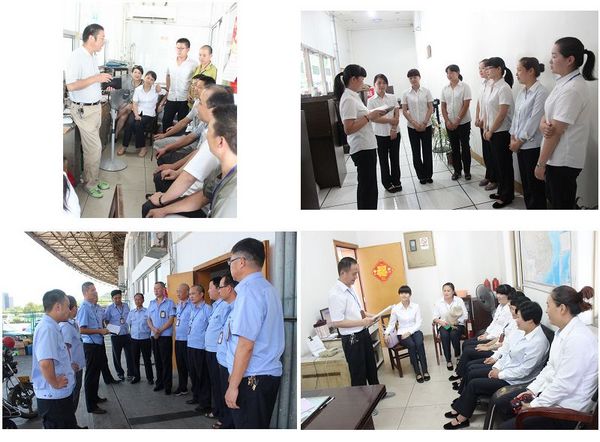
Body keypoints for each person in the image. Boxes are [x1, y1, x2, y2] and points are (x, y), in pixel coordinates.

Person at [498, 286, 598, 429]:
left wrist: (534, 405)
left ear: (562, 308)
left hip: (566, 412)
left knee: (505, 428)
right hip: (552, 398)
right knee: (503, 404)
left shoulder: (579, 339)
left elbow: (564, 385)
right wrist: (532, 391)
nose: (546, 311)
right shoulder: (561, 332)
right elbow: (550, 367)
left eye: (548, 305)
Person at [443, 301, 549, 430]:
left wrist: (499, 374)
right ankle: (462, 405)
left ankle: (462, 418)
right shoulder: (522, 331)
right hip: (505, 370)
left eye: (519, 317)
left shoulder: (538, 342)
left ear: (530, 320)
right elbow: (507, 351)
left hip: (514, 380)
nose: (516, 320)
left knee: (474, 384)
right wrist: (497, 366)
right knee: (472, 372)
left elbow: (524, 371)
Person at [144, 87, 235, 218]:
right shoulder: (217, 136)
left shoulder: (232, 196)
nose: (197, 106)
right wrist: (176, 170)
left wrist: (162, 201)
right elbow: (204, 195)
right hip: (201, 199)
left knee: (149, 207)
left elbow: (189, 178)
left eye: (201, 103)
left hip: (200, 204)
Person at [224, 238, 285, 429]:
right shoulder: (267, 288)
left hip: (253, 378)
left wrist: (233, 386)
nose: (230, 265)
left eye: (231, 261)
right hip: (261, 376)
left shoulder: (249, 292)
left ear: (241, 262)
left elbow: (246, 345)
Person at [536, 37, 596, 209]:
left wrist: (540, 164)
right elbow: (548, 114)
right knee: (557, 201)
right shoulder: (563, 82)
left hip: (563, 161)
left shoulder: (572, 89)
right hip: (556, 158)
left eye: (554, 56)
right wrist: (542, 124)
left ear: (570, 60)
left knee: (561, 206)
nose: (550, 60)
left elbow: (555, 132)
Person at [65, 23, 112, 199]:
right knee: (94, 148)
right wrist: (96, 78)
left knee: (93, 149)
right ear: (91, 37)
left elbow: (90, 82)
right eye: (102, 38)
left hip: (95, 108)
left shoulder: (92, 56)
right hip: (83, 110)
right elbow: (71, 85)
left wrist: (101, 83)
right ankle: (89, 184)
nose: (103, 42)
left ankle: (92, 178)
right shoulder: (76, 57)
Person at [334, 64, 386, 209]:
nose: (363, 83)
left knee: (369, 186)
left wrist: (372, 115)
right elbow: (348, 128)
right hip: (362, 148)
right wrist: (369, 117)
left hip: (367, 145)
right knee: (367, 188)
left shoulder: (353, 96)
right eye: (362, 79)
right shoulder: (348, 99)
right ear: (353, 79)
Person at [328, 256, 380, 386]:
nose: (356, 277)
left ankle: (378, 393)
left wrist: (372, 316)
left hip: (363, 333)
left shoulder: (351, 288)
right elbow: (337, 322)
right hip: (352, 339)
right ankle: (362, 399)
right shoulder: (335, 294)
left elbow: (358, 311)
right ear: (343, 273)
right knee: (358, 374)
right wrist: (362, 322)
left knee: (371, 367)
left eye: (357, 273)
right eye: (354, 274)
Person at [33, 289, 77, 428]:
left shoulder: (52, 326)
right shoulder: (47, 328)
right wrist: (55, 383)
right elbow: (45, 363)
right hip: (54, 397)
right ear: (58, 307)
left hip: (57, 396)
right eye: (67, 306)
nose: (69, 310)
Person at [451, 284, 514, 381]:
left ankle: (461, 373)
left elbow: (502, 333)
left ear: (508, 295)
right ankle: (461, 372)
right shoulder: (500, 306)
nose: (498, 296)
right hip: (490, 336)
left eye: (501, 294)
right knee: (464, 342)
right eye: (497, 293)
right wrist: (486, 333)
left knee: (466, 346)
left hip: (493, 339)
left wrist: (487, 339)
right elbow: (494, 322)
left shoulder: (510, 311)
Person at [509, 57, 549, 209]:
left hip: (532, 146)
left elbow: (534, 121)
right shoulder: (522, 92)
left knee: (535, 186)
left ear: (531, 71)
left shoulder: (541, 92)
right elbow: (516, 117)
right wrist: (512, 137)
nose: (517, 74)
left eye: (519, 70)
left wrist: (518, 142)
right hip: (519, 144)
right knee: (526, 183)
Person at [152, 74, 216, 167]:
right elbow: (185, 122)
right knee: (160, 144)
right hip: (191, 136)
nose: (194, 88)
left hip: (195, 143)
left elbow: (193, 141)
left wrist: (175, 167)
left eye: (198, 86)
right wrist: (165, 135)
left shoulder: (212, 116)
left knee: (165, 153)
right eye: (193, 85)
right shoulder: (197, 102)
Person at [483, 57, 515, 208]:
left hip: (501, 132)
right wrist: (486, 128)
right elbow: (488, 109)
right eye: (486, 68)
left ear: (499, 69)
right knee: (497, 164)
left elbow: (502, 113)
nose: (486, 71)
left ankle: (507, 196)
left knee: (504, 165)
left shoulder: (504, 88)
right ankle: (501, 191)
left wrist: (491, 130)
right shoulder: (491, 85)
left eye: (489, 68)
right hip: (491, 131)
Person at [384, 285, 430, 382]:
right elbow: (391, 324)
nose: (404, 295)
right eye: (401, 293)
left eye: (406, 293)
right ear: (399, 295)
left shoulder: (416, 306)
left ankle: (425, 370)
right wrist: (386, 333)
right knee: (412, 345)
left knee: (419, 343)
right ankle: (417, 372)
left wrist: (409, 332)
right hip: (402, 332)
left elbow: (418, 322)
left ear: (410, 294)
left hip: (415, 330)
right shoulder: (396, 309)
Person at [77, 281, 110, 414]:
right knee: (91, 375)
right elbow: (82, 330)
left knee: (96, 374)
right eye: (92, 290)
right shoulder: (84, 308)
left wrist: (103, 329)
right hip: (91, 346)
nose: (95, 292)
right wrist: (100, 331)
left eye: (95, 289)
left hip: (99, 343)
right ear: (85, 293)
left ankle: (95, 397)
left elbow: (100, 322)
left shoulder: (95, 307)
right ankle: (91, 406)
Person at [367, 73, 402, 192]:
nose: (382, 85)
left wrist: (393, 128)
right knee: (383, 160)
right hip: (380, 134)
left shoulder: (392, 97)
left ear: (387, 85)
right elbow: (373, 118)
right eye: (379, 83)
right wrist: (390, 120)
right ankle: (387, 183)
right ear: (374, 85)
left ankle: (396, 181)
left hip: (395, 132)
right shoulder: (371, 101)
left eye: (384, 83)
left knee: (395, 158)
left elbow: (397, 113)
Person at [119, 71, 167, 157]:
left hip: (149, 113)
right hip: (137, 111)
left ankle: (143, 148)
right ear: (144, 78)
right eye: (148, 78)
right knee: (129, 123)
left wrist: (161, 103)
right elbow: (135, 103)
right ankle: (124, 146)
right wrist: (136, 115)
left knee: (138, 124)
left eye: (152, 79)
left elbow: (167, 93)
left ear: (154, 81)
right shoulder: (138, 89)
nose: (149, 80)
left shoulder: (156, 89)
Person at [403, 68, 434, 184]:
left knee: (427, 151)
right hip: (412, 127)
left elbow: (430, 108)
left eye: (415, 77)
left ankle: (428, 175)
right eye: (410, 78)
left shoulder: (426, 91)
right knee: (416, 152)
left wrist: (425, 123)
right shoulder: (405, 93)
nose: (413, 79)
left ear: (419, 77)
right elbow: (404, 110)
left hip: (426, 125)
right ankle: (421, 176)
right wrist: (414, 123)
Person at [441, 65, 472, 180]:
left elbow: (466, 105)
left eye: (452, 72)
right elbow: (443, 106)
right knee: (454, 148)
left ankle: (467, 171)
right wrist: (447, 121)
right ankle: (457, 171)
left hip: (463, 123)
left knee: (465, 147)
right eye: (448, 73)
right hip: (449, 123)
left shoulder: (465, 87)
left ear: (458, 73)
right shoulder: (445, 89)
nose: (449, 75)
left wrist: (457, 120)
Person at [187, 284, 213, 414]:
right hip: (191, 345)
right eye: (190, 294)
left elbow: (211, 328)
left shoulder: (207, 309)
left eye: (193, 294)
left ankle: (205, 403)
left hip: (201, 348)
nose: (190, 296)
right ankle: (196, 396)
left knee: (202, 376)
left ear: (201, 294)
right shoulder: (193, 309)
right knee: (193, 374)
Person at [216, 274, 237, 429]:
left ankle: (229, 424)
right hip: (223, 359)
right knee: (224, 393)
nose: (218, 290)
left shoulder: (238, 309)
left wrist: (233, 370)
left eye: (220, 287)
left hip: (231, 364)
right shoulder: (228, 308)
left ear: (229, 288)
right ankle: (226, 420)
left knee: (231, 397)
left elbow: (240, 344)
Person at [163, 38, 198, 131]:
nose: (179, 50)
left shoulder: (194, 64)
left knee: (182, 124)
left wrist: (191, 93)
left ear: (188, 49)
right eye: (177, 48)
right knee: (166, 120)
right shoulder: (170, 61)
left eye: (182, 48)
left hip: (184, 99)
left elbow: (195, 81)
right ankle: (164, 139)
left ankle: (179, 140)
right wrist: (168, 89)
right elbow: (168, 75)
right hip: (171, 97)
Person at [147, 281, 176, 394]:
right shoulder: (151, 303)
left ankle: (168, 386)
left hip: (165, 337)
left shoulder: (170, 302)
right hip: (154, 336)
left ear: (164, 289)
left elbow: (171, 319)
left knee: (166, 362)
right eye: (154, 289)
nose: (156, 291)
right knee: (157, 361)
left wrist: (160, 331)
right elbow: (148, 319)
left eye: (158, 288)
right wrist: (154, 329)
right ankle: (159, 383)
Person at [432, 282, 468, 371]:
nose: (446, 292)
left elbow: (465, 315)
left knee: (453, 333)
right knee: (444, 335)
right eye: (444, 291)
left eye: (448, 290)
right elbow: (434, 317)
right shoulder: (438, 302)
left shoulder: (458, 300)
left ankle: (458, 356)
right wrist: (440, 322)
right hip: (445, 325)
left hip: (457, 325)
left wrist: (456, 321)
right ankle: (448, 360)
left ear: (453, 291)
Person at [59, 295, 86, 415]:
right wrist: (70, 364)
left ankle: (71, 419)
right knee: (73, 394)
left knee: (76, 391)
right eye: (76, 308)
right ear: (73, 308)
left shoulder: (72, 324)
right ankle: (70, 420)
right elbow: (65, 347)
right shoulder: (66, 326)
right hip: (73, 367)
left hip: (77, 365)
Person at [204, 277, 226, 423]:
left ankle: (223, 416)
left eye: (210, 287)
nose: (208, 291)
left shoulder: (225, 306)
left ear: (219, 289)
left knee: (220, 385)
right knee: (214, 383)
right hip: (210, 350)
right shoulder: (216, 306)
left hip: (217, 352)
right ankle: (217, 409)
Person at [476, 59, 498, 191]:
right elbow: (480, 103)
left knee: (492, 153)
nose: (481, 71)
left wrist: (484, 120)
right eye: (479, 69)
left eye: (483, 68)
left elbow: (490, 107)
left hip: (490, 124)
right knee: (486, 152)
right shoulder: (483, 84)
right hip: (483, 124)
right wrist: (477, 117)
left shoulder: (493, 84)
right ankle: (489, 175)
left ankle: (495, 179)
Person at [103, 289, 134, 381]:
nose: (117, 300)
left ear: (121, 297)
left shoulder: (126, 306)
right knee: (117, 356)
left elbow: (129, 318)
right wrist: (111, 329)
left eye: (119, 297)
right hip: (115, 336)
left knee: (129, 355)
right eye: (115, 298)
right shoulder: (109, 308)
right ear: (112, 298)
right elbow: (106, 321)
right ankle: (120, 373)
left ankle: (130, 373)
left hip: (126, 334)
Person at [126, 293, 154, 385]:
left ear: (143, 300)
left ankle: (150, 378)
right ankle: (137, 377)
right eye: (136, 299)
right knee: (135, 359)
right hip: (134, 339)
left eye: (139, 299)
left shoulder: (147, 312)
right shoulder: (131, 313)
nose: (137, 301)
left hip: (145, 339)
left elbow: (151, 324)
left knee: (147, 359)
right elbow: (127, 324)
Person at [174, 283, 192, 396]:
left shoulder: (192, 305)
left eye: (180, 291)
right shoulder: (178, 304)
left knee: (190, 366)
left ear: (187, 292)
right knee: (180, 365)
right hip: (178, 339)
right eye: (177, 291)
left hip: (188, 340)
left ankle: (196, 389)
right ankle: (182, 387)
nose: (178, 293)